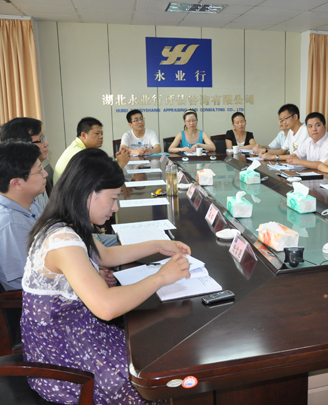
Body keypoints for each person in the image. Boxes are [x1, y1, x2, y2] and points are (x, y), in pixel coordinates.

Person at [21, 148, 191, 404]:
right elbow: (107, 307)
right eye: (112, 198)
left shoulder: (67, 222)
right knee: (152, 370)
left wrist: (158, 245)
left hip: (75, 335)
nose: (115, 207)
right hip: (64, 363)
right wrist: (161, 277)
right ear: (88, 193)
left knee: (152, 344)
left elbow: (107, 256)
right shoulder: (62, 241)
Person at [0, 140, 47, 291]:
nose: (45, 174)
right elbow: (27, 282)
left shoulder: (29, 204)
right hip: (31, 298)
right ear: (16, 183)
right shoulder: (11, 224)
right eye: (39, 171)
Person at [54, 117, 130, 183]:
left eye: (101, 134)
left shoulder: (78, 147)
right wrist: (121, 163)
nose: (101, 137)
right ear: (83, 135)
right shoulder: (80, 153)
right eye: (97, 133)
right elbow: (102, 180)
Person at [0, 117, 51, 209]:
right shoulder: (24, 183)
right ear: (23, 145)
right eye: (41, 140)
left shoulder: (38, 176)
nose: (46, 144)